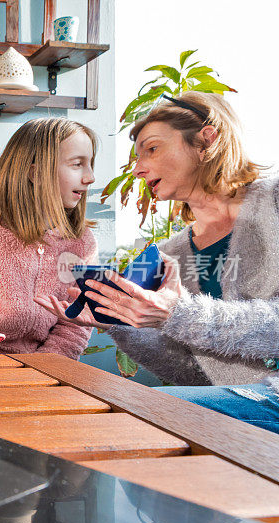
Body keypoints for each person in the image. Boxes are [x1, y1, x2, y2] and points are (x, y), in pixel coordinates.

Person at [36, 92, 279, 433]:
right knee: (128, 414)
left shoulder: (275, 201)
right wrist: (117, 323)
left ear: (206, 141)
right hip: (250, 400)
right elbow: (195, 375)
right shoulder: (173, 253)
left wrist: (179, 313)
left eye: (152, 148)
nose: (137, 169)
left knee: (136, 417)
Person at [0, 117, 98, 358]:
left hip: (43, 370)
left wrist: (46, 367)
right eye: (77, 164)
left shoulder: (82, 242)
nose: (90, 177)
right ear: (35, 172)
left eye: (90, 164)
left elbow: (75, 321)